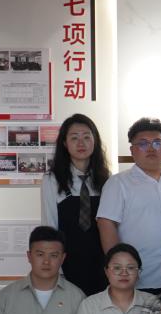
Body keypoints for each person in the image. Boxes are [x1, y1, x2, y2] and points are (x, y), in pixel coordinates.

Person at [97, 117, 161, 293]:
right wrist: (119, 269)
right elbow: (106, 224)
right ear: (132, 150)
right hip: (136, 280)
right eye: (143, 143)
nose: (151, 148)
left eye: (157, 143)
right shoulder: (118, 183)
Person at [41, 113, 110, 295]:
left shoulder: (107, 180)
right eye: (74, 138)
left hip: (102, 266)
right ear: (65, 143)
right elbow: (50, 226)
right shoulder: (51, 180)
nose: (81, 143)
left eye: (87, 137)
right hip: (68, 266)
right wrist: (56, 270)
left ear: (95, 141)